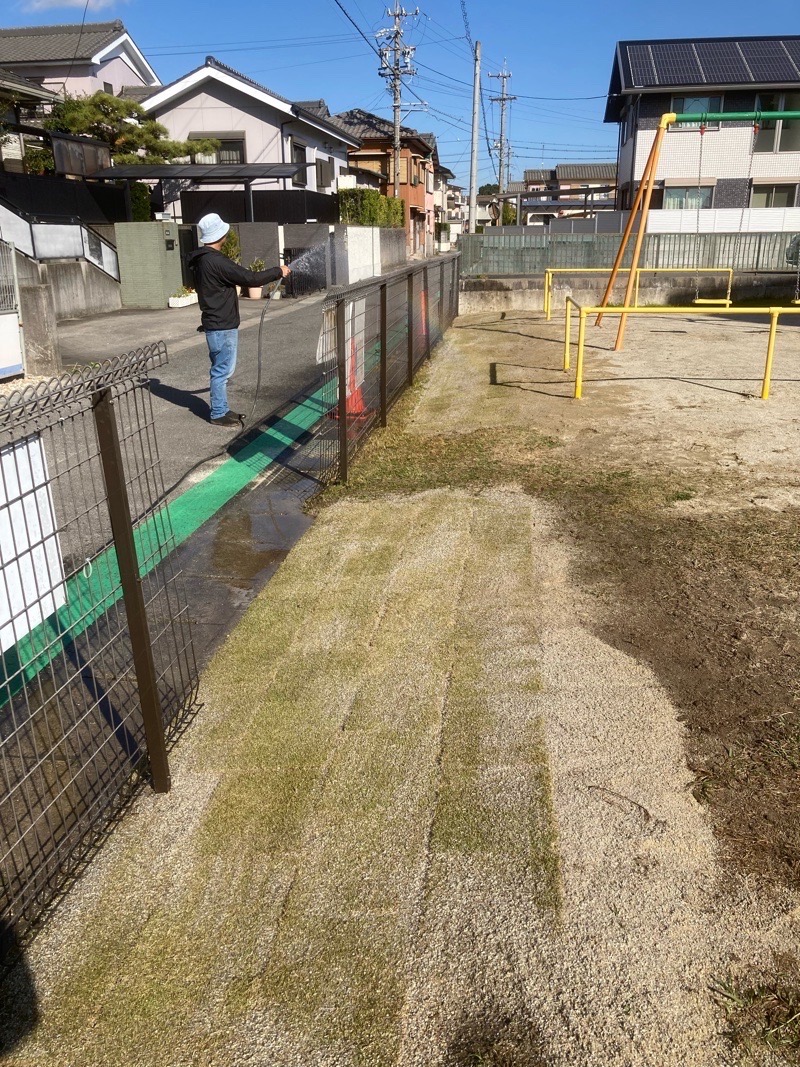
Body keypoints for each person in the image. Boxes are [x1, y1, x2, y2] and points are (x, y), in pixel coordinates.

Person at [188, 213, 290, 426]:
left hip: (216, 323)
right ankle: (217, 413)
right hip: (221, 325)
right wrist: (277, 271)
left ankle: (222, 409)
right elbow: (250, 278)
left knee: (222, 369)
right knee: (222, 370)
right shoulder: (215, 261)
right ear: (221, 234)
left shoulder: (202, 261)